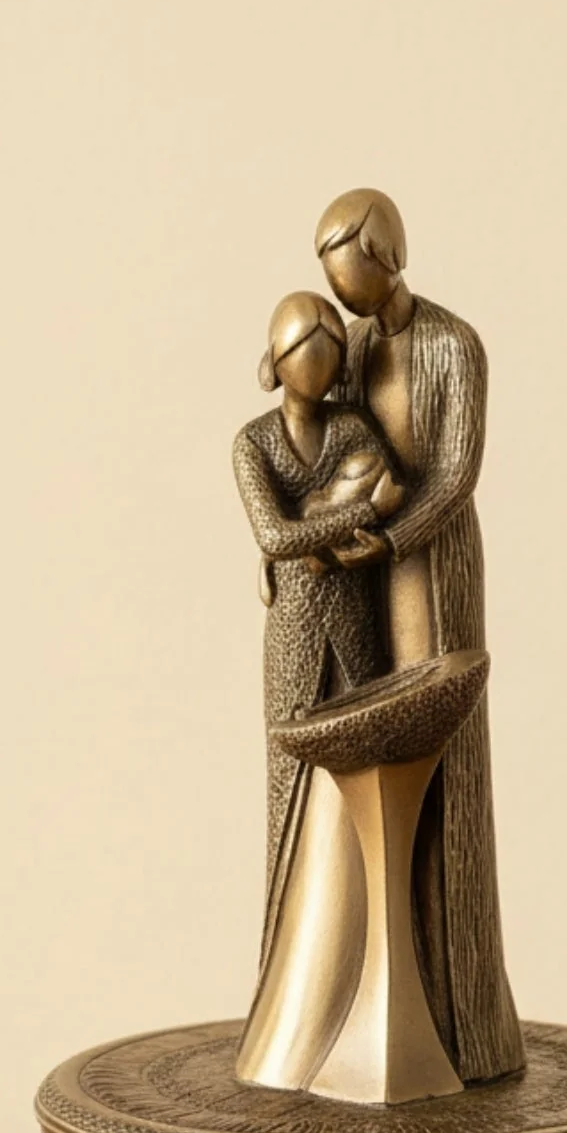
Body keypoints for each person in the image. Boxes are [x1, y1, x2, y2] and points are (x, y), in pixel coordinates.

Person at [314, 188, 525, 1084]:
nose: (347, 302)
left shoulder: (452, 344)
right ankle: (371, 1008)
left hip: (431, 568)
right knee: (380, 769)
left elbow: (456, 471)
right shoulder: (357, 349)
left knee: (444, 772)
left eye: (352, 280)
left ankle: (463, 1025)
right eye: (335, 287)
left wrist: (396, 538)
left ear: (388, 257)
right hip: (369, 573)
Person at [231, 290, 400, 1089]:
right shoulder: (253, 443)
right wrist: (340, 518)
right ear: (278, 362)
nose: (323, 356)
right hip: (296, 636)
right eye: (307, 346)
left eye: (332, 344)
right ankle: (284, 998)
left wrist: (312, 535)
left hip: (356, 626)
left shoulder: (356, 428)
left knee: (365, 788)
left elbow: (387, 503)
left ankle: (366, 987)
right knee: (290, 795)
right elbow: (273, 534)